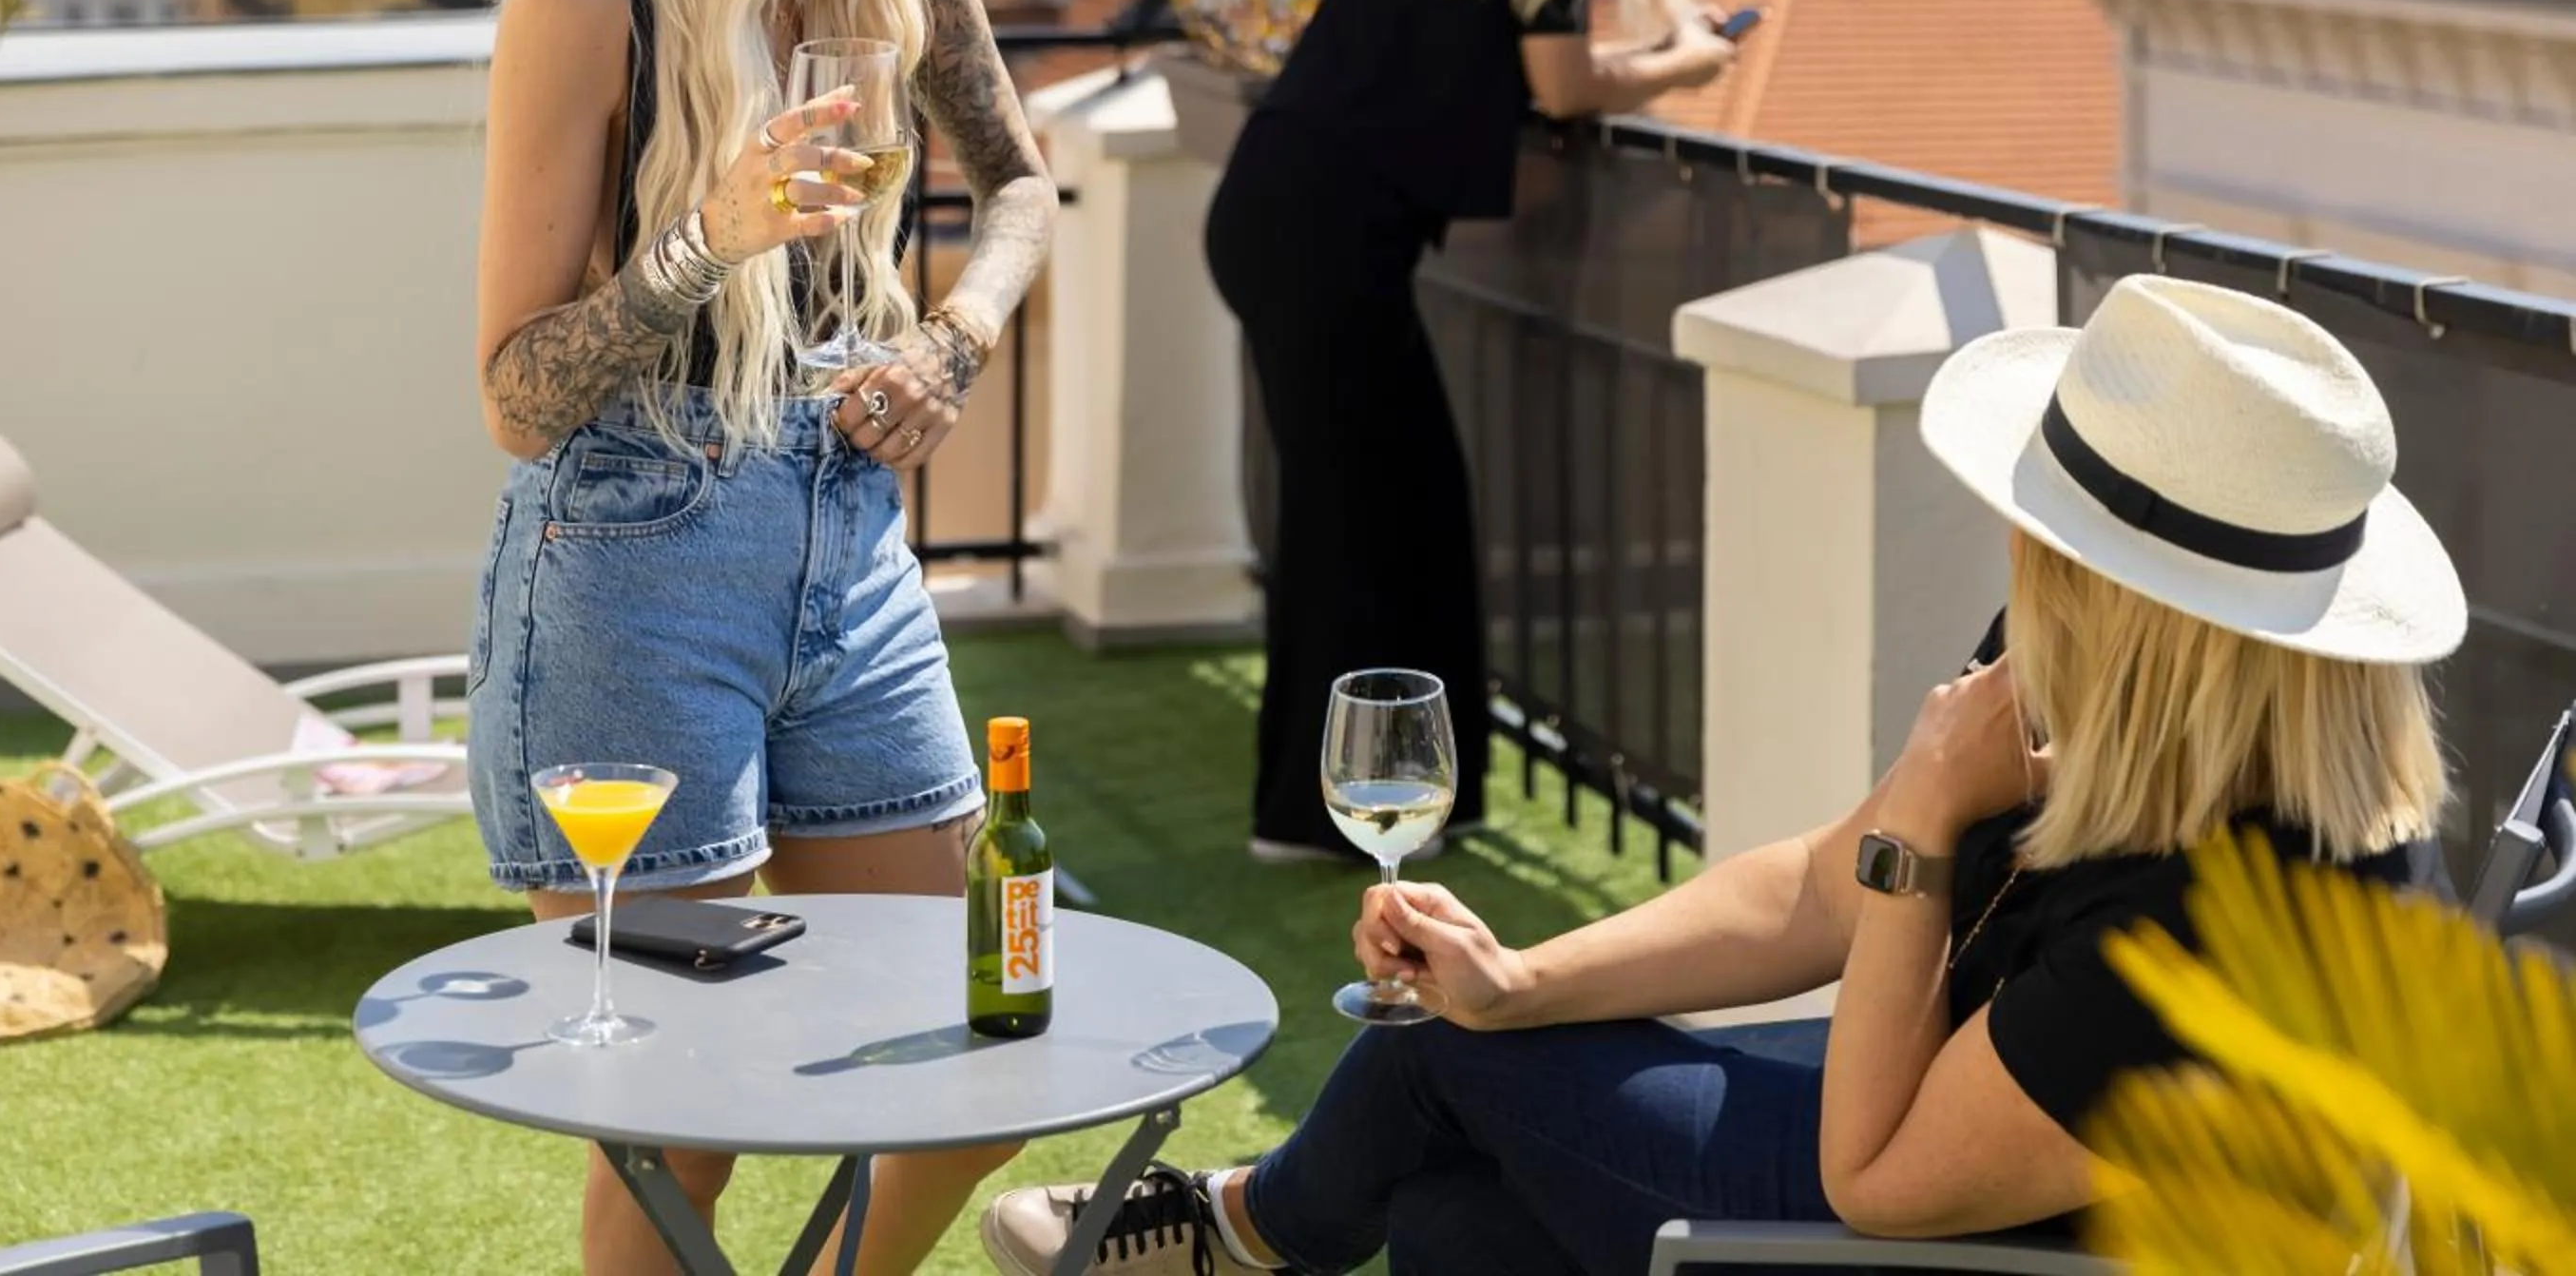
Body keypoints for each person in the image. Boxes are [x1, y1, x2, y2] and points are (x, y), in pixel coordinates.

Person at [979, 273, 2466, 1273]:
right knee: (1454, 1209)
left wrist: (1929, 829)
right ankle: (1251, 1231)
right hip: (1949, 1115)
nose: (2023, 549)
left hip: (1947, 1218)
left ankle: (1239, 1235)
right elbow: (1820, 881)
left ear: (2136, 602)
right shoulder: (2137, 697)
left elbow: (1878, 1181)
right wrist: (1524, 974)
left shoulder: (2228, 916)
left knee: (1426, 1061)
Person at [469, 0, 1055, 1276]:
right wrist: (699, 244)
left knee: (981, 1039)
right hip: (632, 566)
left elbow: (1023, 189)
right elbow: (514, 395)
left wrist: (953, 341)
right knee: (684, 1121)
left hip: (849, 548)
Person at [1201, 0, 1740, 861]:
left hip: (1282, 208)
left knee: (1365, 516)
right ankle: (1330, 818)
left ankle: (1351, 802)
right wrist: (1686, 61)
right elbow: (1563, 81)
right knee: (1383, 521)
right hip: (1329, 234)